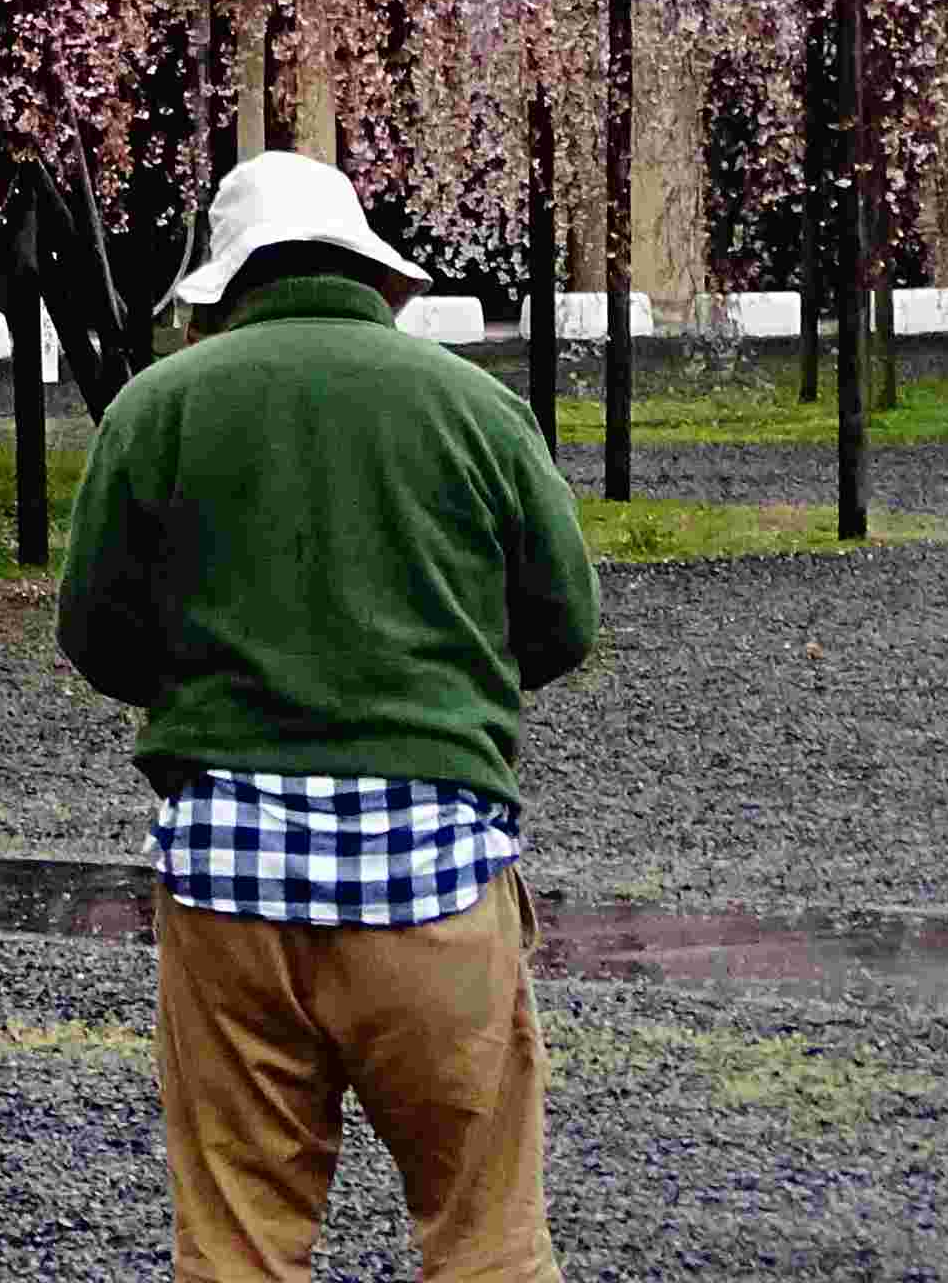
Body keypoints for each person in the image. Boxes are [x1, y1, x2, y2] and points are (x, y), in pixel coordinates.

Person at [56, 152, 603, 1283]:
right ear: (376, 277)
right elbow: (563, 626)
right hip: (438, 877)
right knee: (485, 1233)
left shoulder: (157, 408)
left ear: (224, 287)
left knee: (238, 1240)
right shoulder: (477, 409)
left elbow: (96, 636)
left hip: (226, 883)